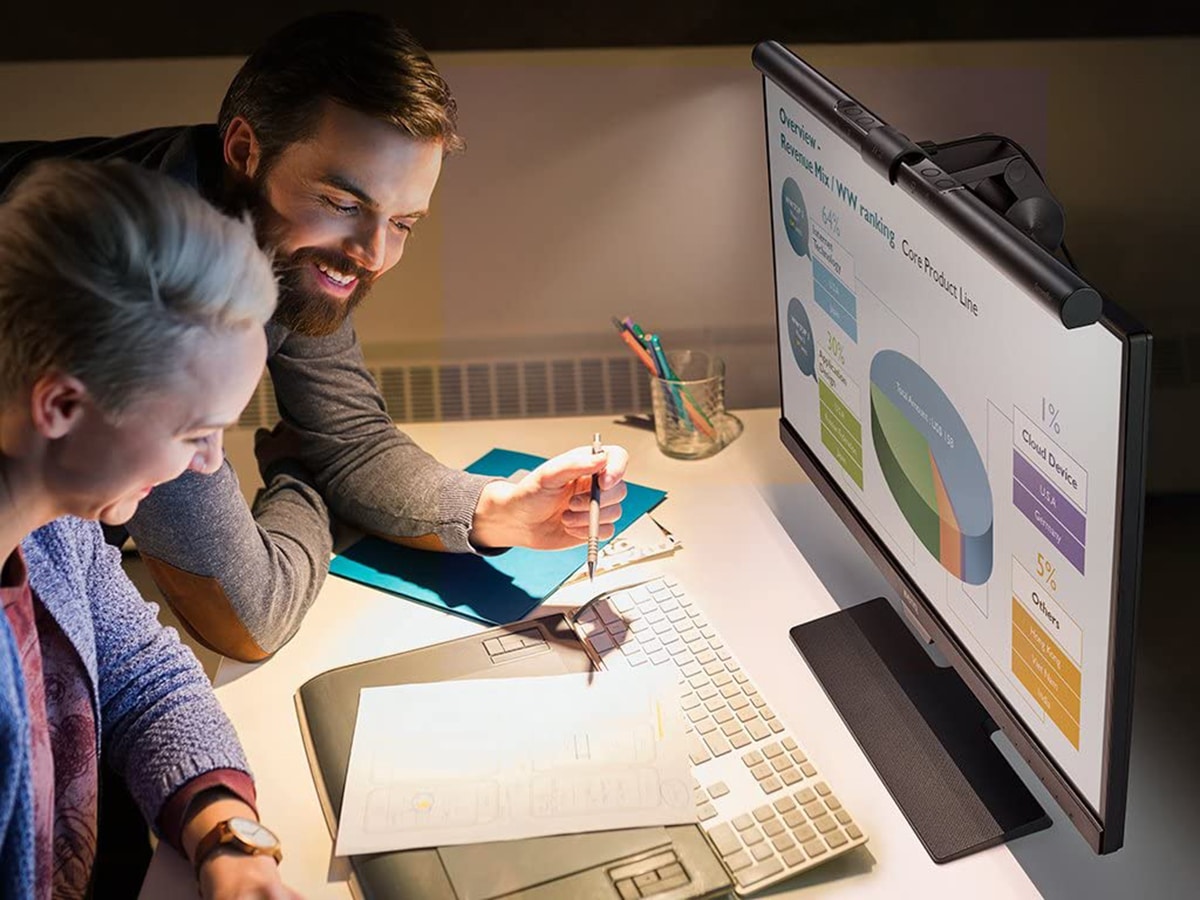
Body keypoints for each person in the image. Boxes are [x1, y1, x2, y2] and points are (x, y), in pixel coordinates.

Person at [0, 9, 630, 664]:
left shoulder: (279, 238)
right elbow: (248, 615)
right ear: (244, 151)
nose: (372, 254)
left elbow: (350, 440)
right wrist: (303, 479)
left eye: (404, 223)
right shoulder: (156, 277)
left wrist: (498, 508)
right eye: (344, 204)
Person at [0, 159, 297, 896]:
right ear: (62, 407)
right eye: (196, 430)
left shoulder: (52, 524)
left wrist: (231, 843)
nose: (206, 466)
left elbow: (140, 675)